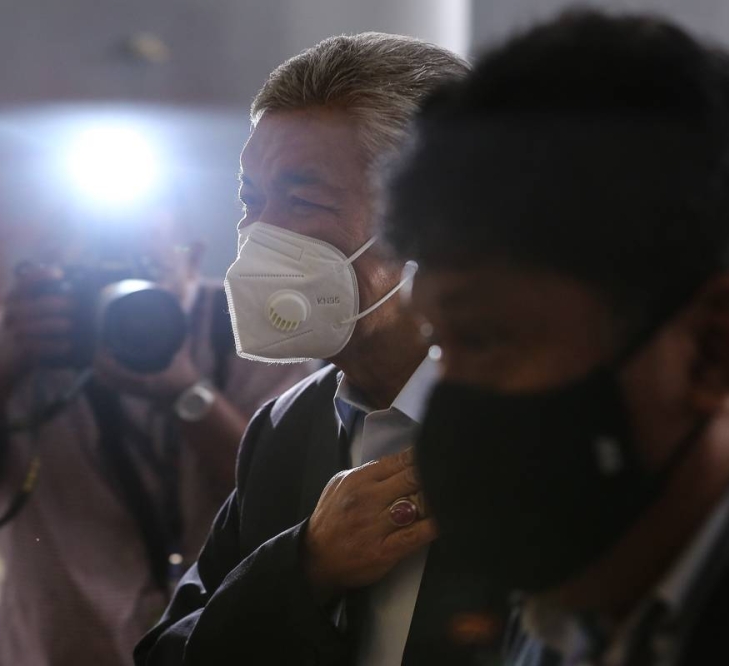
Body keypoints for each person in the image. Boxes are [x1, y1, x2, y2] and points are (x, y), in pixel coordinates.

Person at [386, 9, 729, 665]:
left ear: (714, 350)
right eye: (440, 343)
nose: (447, 402)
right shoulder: (595, 600)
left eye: (487, 338)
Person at [135, 33, 515, 666]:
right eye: (252, 203)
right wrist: (303, 567)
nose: (262, 236)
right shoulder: (286, 429)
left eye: (304, 201)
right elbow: (171, 654)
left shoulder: (550, 430)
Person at [0, 189, 314, 665]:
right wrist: (0, 367)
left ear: (195, 260)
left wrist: (187, 394)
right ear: (48, 268)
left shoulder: (248, 339)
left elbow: (296, 503)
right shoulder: (10, 346)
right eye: (97, 279)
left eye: (150, 273)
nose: (124, 303)